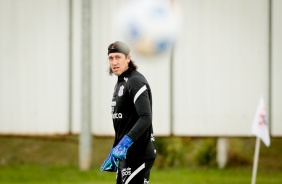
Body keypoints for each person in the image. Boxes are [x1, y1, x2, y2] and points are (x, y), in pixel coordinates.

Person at [100, 41, 156, 184]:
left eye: (118, 57)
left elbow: (145, 117)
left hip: (138, 154)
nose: (114, 62)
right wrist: (115, 149)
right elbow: (124, 122)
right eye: (111, 58)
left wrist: (125, 142)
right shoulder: (121, 83)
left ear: (128, 58)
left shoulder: (135, 81)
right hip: (126, 156)